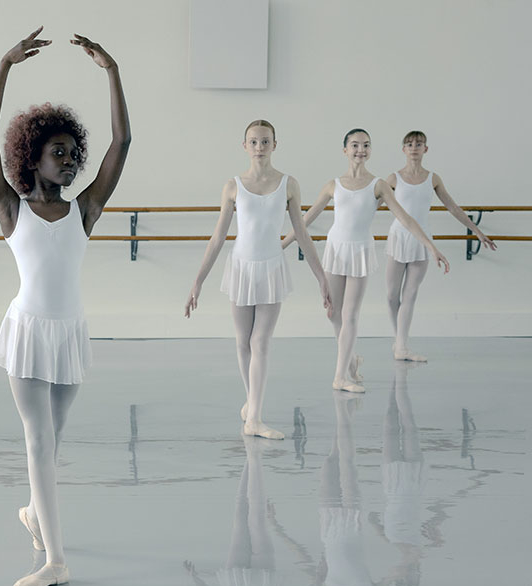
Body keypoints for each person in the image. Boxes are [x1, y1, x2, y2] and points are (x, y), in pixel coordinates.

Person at [0, 27, 130, 586]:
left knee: (53, 441)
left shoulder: (84, 211)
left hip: (68, 333)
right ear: (32, 157)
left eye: (72, 154)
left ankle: (34, 514)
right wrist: (5, 63)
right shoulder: (9, 209)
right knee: (39, 443)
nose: (68, 162)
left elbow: (123, 144)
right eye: (57, 153)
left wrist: (112, 71)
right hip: (26, 332)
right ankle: (56, 560)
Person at [185, 120, 331, 439]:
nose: (259, 147)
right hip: (241, 267)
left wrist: (321, 278)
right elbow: (217, 238)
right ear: (245, 146)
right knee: (243, 341)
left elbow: (302, 233)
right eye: (254, 142)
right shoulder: (233, 186)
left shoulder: (288, 184)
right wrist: (198, 281)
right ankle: (252, 404)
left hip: (271, 267)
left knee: (261, 341)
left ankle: (255, 418)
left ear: (274, 145)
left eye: (265, 142)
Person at [283, 129, 449, 393]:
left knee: (350, 315)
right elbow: (305, 221)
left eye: (366, 145)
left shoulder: (379, 185)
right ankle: (351, 360)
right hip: (336, 250)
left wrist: (431, 246)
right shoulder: (332, 185)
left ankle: (340, 377)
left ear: (370, 150)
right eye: (355, 145)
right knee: (332, 312)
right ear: (345, 150)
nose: (361, 149)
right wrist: (282, 244)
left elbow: (405, 219)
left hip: (360, 251)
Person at [385, 130, 497, 361]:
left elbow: (452, 207)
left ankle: (402, 347)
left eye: (418, 143)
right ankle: (398, 341)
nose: (414, 147)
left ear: (426, 149)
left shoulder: (433, 178)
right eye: (409, 144)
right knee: (390, 295)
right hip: (398, 236)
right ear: (403, 149)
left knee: (410, 293)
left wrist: (477, 231)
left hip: (422, 239)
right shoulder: (393, 178)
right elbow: (373, 202)